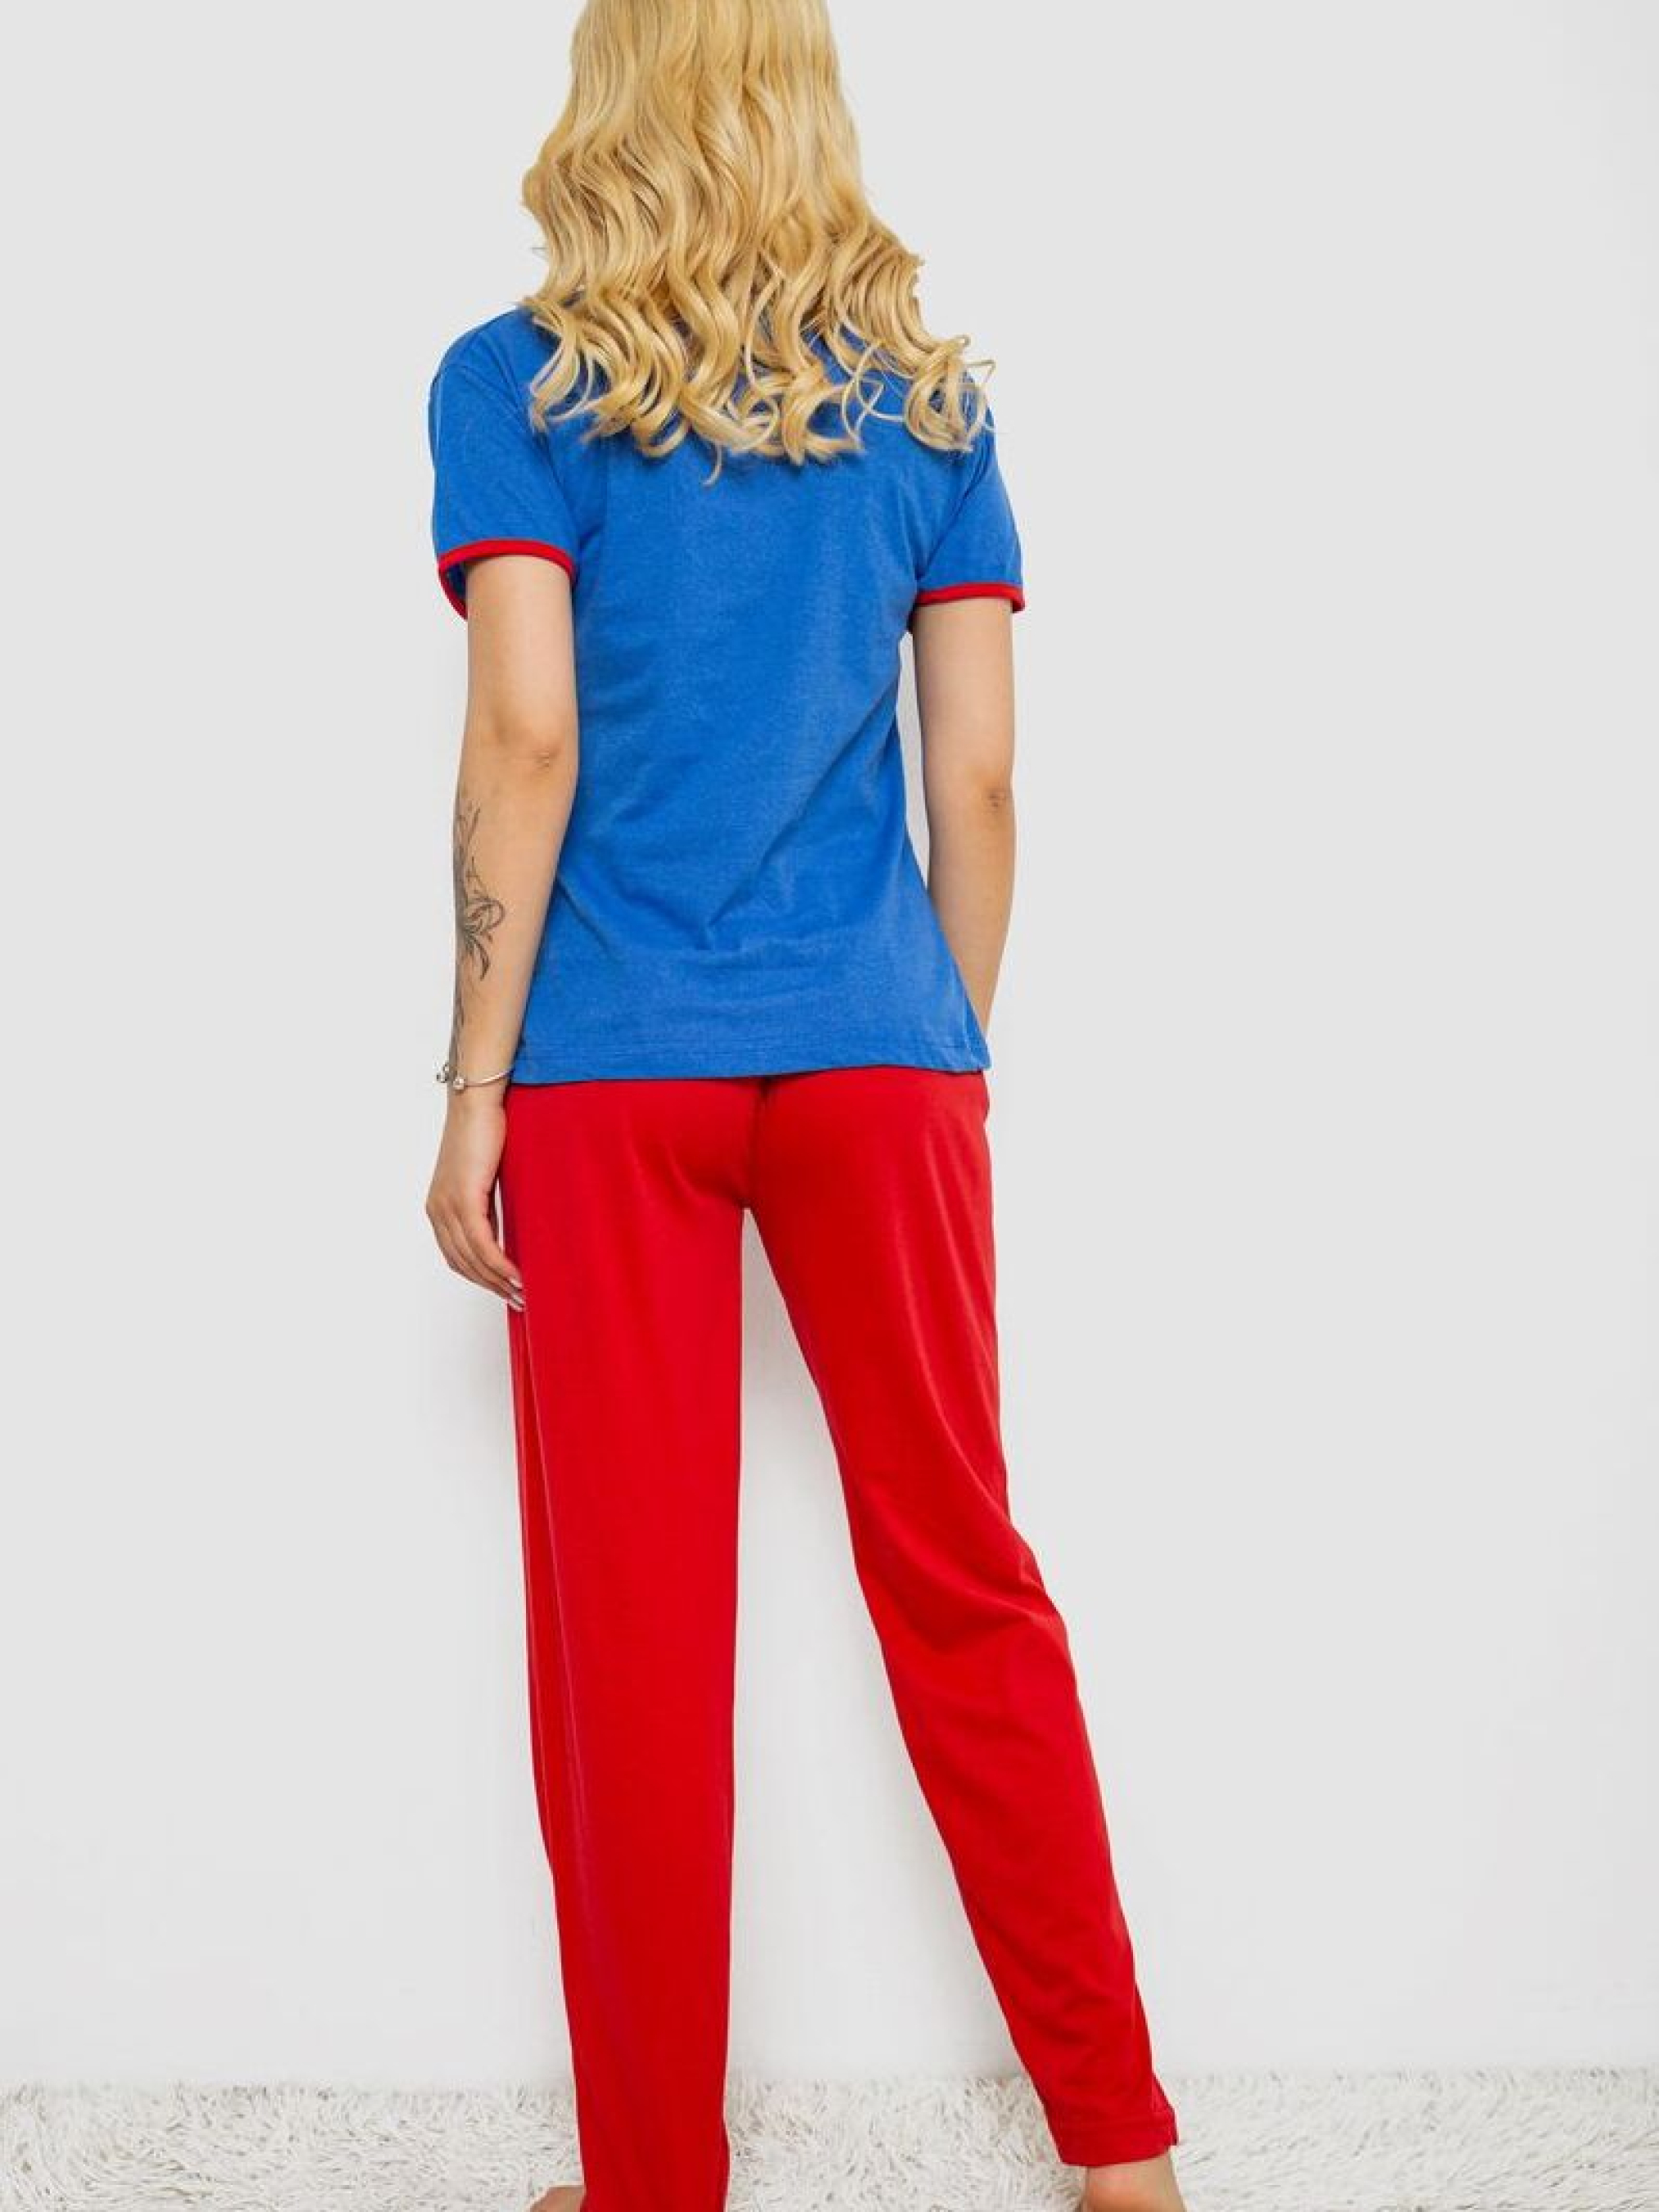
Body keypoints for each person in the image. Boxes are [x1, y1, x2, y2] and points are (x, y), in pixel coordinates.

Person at [423, 4, 1185, 2209]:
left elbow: (527, 742)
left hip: (608, 1073)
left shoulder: (513, 388)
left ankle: (654, 2184)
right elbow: (980, 779)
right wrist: (930, 1041)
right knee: (967, 1579)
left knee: (633, 1638)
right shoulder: (930, 409)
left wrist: (470, 1087)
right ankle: (1124, 2157)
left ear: (605, 102)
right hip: (880, 1053)